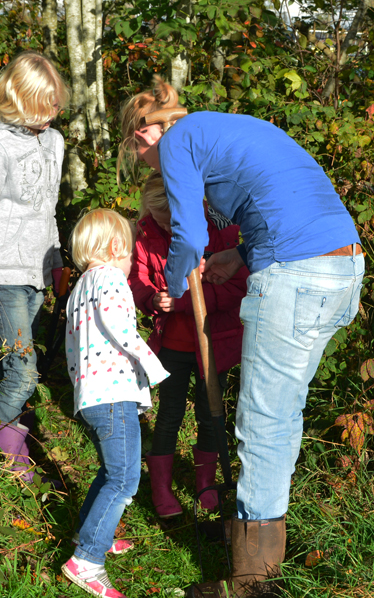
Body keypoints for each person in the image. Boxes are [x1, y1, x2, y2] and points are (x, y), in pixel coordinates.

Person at [117, 79, 366, 598]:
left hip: (296, 276)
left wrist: (172, 280)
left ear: (146, 134)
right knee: (281, 410)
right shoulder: (223, 127)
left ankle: (252, 582)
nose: (148, 165)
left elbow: (188, 236)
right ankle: (252, 533)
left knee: (264, 420)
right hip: (341, 268)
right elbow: (289, 204)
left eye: (139, 153)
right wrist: (245, 256)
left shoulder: (180, 140)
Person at [0, 51, 68, 482]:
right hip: (2, 274)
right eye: (42, 105)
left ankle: (7, 440)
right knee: (23, 372)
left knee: (22, 366)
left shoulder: (55, 142)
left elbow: (49, 208)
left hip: (38, 271)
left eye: (55, 103)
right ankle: (2, 452)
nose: (51, 113)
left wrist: (57, 259)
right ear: (17, 101)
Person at [62, 208, 171, 598]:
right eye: (129, 257)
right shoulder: (109, 279)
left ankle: (88, 533)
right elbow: (121, 327)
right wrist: (152, 365)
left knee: (111, 472)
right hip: (113, 393)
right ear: (115, 247)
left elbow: (73, 345)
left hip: (90, 395)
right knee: (125, 479)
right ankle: (87, 561)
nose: (130, 266)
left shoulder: (80, 288)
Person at [128, 173, 248, 519]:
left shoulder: (220, 230)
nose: (165, 225)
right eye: (158, 217)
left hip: (214, 341)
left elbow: (235, 289)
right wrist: (151, 298)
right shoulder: (146, 234)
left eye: (170, 218)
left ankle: (206, 484)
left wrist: (182, 301)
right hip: (173, 344)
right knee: (168, 415)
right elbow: (137, 280)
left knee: (211, 414)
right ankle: (161, 489)